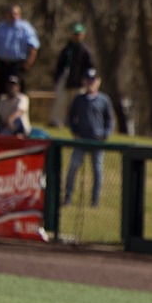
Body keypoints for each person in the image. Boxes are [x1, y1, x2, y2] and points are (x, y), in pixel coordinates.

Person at [63, 69, 114, 206]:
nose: (90, 83)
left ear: (98, 82)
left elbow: (110, 120)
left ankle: (95, 200)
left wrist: (105, 135)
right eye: (88, 80)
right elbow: (71, 117)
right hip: (81, 140)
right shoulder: (79, 99)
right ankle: (68, 197)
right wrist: (75, 132)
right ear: (84, 82)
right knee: (73, 167)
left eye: (93, 80)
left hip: (97, 141)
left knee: (97, 170)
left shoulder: (104, 100)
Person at [51, 22, 94, 130]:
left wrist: (87, 81)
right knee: (60, 101)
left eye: (78, 34)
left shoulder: (85, 51)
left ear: (83, 35)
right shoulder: (67, 49)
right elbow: (60, 65)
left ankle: (75, 123)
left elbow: (90, 68)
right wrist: (57, 77)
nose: (76, 36)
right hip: (65, 78)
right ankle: (57, 122)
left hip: (79, 81)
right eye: (75, 34)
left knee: (77, 103)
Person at [0, 4, 38, 91]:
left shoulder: (25, 28)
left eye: (15, 13)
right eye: (10, 13)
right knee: (1, 90)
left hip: (18, 65)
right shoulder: (0, 27)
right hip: (2, 64)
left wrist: (28, 63)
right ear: (6, 14)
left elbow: (34, 46)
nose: (13, 16)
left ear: (19, 15)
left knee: (19, 90)